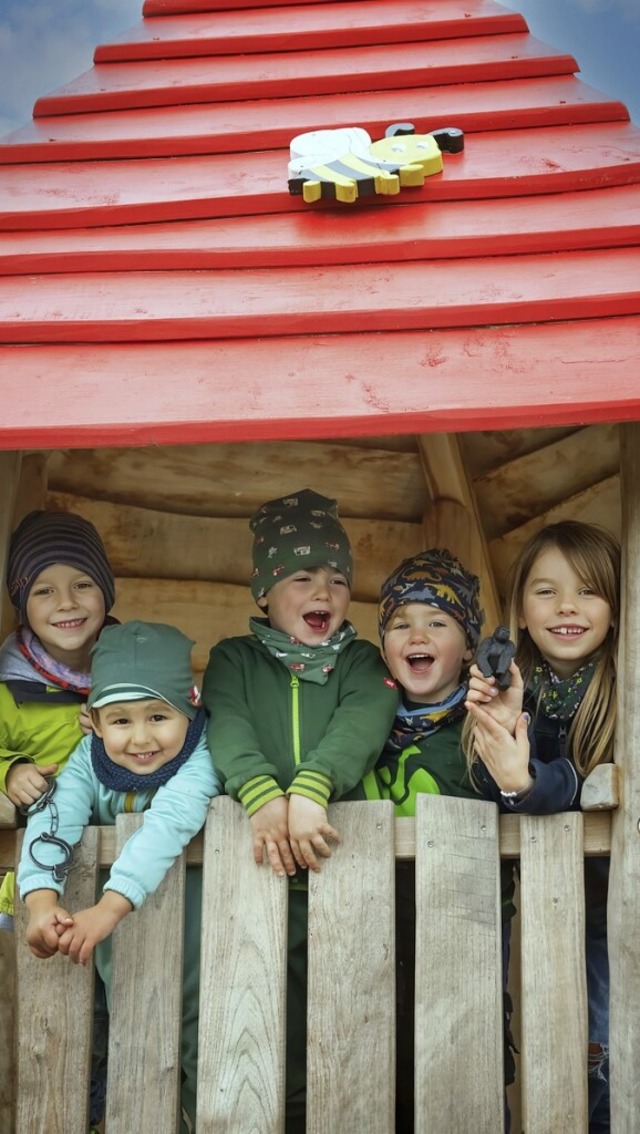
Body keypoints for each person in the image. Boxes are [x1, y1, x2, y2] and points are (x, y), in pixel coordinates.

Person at [202, 488, 399, 1133]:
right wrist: (261, 796)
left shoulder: (363, 661)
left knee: (346, 1010)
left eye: (338, 579)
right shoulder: (234, 658)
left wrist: (312, 787)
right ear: (264, 590)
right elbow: (227, 724)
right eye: (302, 577)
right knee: (258, 1012)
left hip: (339, 865)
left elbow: (362, 722)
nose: (324, 591)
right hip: (255, 866)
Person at [18, 620, 221, 1134]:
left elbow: (169, 821)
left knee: (200, 1050)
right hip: (115, 951)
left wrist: (109, 906)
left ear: (189, 708)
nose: (141, 737)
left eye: (158, 715)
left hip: (201, 946)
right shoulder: (88, 758)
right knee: (124, 1049)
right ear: (96, 722)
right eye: (121, 720)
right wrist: (41, 897)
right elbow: (55, 813)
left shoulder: (202, 757)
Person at [345, 548, 515, 1130]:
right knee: (372, 1075)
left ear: (468, 644)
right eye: (400, 623)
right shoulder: (360, 725)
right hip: (366, 929)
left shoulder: (481, 726)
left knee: (463, 1077)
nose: (417, 633)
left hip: (462, 931)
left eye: (437, 622)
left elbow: (521, 784)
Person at [465, 520, 619, 1134]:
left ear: (616, 606)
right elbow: (480, 780)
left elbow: (593, 785)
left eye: (587, 591)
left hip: (615, 915)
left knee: (604, 1058)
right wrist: (500, 733)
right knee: (558, 1061)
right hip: (539, 919)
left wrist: (528, 781)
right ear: (521, 612)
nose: (568, 607)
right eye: (547, 591)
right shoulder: (510, 687)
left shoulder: (623, 689)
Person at [0, 508, 116, 1129]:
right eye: (43, 589)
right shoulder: (8, 687)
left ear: (107, 591)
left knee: (121, 1020)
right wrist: (10, 768)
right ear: (21, 603)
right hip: (38, 892)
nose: (65, 602)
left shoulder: (132, 666)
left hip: (124, 886)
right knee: (46, 1036)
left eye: (82, 584)